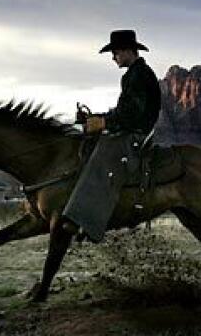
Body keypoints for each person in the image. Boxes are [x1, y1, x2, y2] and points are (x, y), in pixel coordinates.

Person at [61, 29, 161, 239]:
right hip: (133, 129)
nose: (113, 57)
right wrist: (96, 118)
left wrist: (103, 122)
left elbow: (131, 114)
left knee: (101, 155)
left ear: (127, 51)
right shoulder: (136, 73)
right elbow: (125, 111)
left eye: (115, 52)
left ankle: (87, 220)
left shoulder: (138, 75)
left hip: (136, 134)